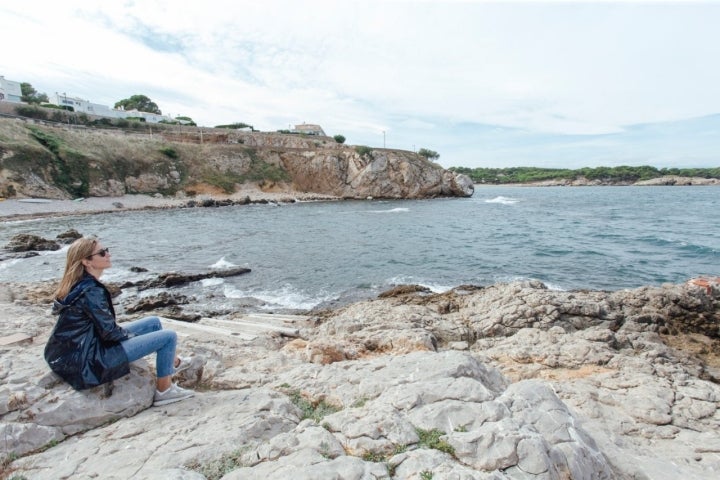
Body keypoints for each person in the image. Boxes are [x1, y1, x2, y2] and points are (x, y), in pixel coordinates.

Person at [44, 236, 194, 406]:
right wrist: (130, 335)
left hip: (80, 349)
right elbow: (109, 333)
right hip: (88, 359)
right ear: (86, 261)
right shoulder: (91, 291)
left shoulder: (81, 284)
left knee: (153, 322)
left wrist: (128, 334)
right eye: (102, 253)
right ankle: (164, 391)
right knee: (168, 337)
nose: (108, 254)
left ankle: (174, 362)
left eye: (106, 249)